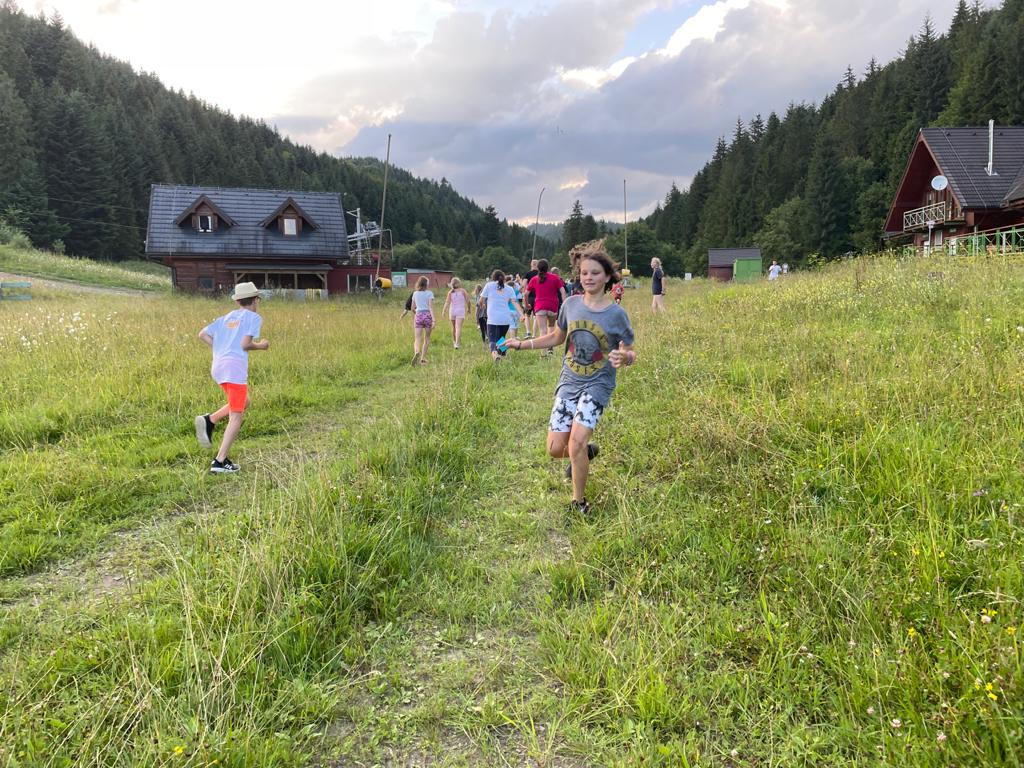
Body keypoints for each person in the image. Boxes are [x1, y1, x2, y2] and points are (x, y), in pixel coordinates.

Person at [505, 244, 635, 514]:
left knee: (575, 441)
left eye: (595, 273)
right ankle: (584, 453)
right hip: (569, 381)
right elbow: (556, 337)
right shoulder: (570, 305)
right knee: (555, 449)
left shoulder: (616, 314)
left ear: (607, 276)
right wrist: (521, 344)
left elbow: (629, 350)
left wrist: (625, 357)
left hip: (598, 384)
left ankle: (579, 502)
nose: (589, 277)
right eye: (584, 273)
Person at [194, 281, 270, 474]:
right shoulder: (253, 317)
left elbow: (202, 334)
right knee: (236, 416)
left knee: (244, 402)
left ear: (237, 301)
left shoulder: (226, 318)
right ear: (256, 300)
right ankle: (219, 462)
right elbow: (246, 344)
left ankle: (210, 420)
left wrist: (222, 349)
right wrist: (261, 345)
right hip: (234, 370)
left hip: (218, 367)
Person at [480, 270, 524, 362]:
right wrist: (522, 314)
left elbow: (481, 300)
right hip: (505, 318)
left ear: (493, 278)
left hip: (493, 318)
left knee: (492, 340)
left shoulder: (489, 285)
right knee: (502, 338)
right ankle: (502, 355)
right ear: (504, 278)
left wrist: (482, 305)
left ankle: (495, 355)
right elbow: (515, 302)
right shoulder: (509, 289)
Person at [526, 258, 566, 355]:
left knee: (542, 330)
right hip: (553, 306)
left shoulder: (534, 279)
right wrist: (565, 304)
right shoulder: (555, 278)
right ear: (548, 267)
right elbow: (563, 292)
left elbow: (526, 294)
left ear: (538, 268)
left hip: (540, 306)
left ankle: (543, 353)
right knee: (551, 327)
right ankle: (550, 348)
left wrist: (527, 304)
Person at [409, 276, 435, 364]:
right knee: (427, 338)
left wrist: (417, 314)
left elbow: (412, 308)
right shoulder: (429, 293)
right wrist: (434, 320)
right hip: (427, 315)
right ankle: (423, 358)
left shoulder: (415, 293)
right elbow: (430, 307)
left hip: (418, 315)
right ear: (426, 284)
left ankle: (417, 351)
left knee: (417, 338)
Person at [441, 277, 470, 349]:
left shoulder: (450, 292)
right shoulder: (463, 291)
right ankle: (457, 344)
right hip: (460, 311)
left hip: (452, 311)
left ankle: (454, 342)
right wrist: (469, 309)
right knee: (458, 327)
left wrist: (444, 311)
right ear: (458, 283)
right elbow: (468, 301)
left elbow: (447, 302)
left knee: (453, 327)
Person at [522, 259, 539, 338]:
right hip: (538, 296)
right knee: (536, 316)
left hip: (529, 296)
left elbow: (524, 284)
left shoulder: (528, 274)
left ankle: (528, 332)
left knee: (527, 314)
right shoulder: (540, 274)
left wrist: (524, 293)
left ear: (531, 265)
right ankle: (534, 334)